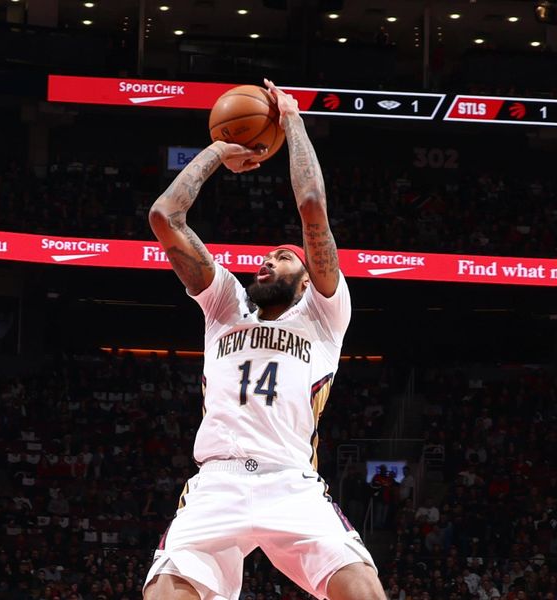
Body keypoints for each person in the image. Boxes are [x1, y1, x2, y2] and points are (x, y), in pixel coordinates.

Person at [143, 78, 384, 600]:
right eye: (266, 256)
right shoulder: (224, 305)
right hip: (217, 483)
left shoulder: (323, 316)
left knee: (363, 590)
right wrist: (216, 151)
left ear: (306, 277)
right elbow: (164, 217)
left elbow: (313, 203)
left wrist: (292, 120)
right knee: (163, 593)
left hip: (290, 481)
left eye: (284, 256)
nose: (267, 259)